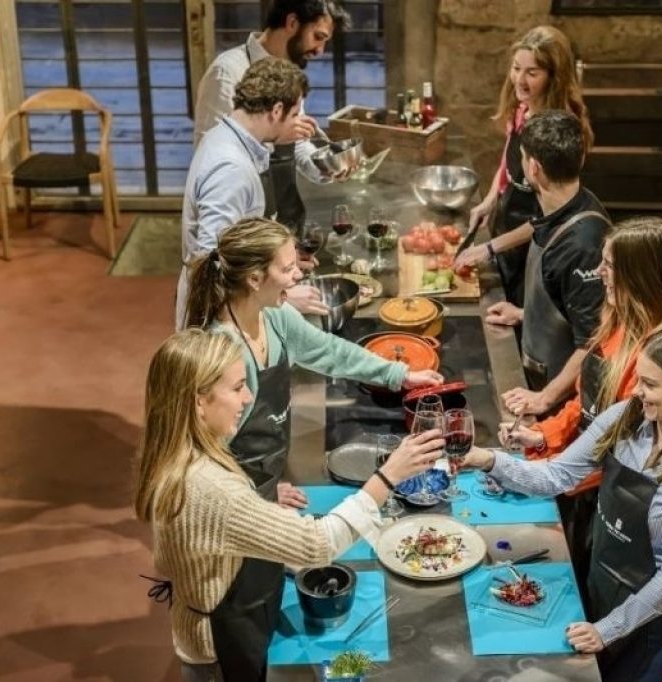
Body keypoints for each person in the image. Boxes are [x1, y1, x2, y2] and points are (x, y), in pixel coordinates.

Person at [134, 328, 443, 682]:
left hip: (217, 619)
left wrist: (257, 504)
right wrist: (387, 478)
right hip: (220, 648)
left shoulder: (179, 450)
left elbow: (222, 524)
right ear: (198, 402)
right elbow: (317, 544)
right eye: (237, 388)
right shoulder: (209, 488)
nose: (249, 397)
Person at [464, 324, 662, 680]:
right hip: (598, 592)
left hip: (647, 630)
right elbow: (556, 476)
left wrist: (607, 630)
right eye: (639, 379)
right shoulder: (625, 418)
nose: (638, 392)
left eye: (651, 385)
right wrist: (488, 460)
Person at [184, 216, 442, 506]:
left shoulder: (275, 316)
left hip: (263, 480)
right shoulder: (223, 352)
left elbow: (329, 350)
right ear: (254, 279)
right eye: (287, 268)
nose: (297, 276)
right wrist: (255, 495)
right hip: (232, 498)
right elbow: (208, 456)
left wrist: (398, 374)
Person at [498, 216, 662, 590]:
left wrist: (554, 475)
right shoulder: (616, 322)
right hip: (583, 485)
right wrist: (543, 436)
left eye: (610, 266)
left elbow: (637, 460)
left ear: (641, 274)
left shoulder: (661, 358)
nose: (599, 272)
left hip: (618, 508)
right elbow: (586, 405)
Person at [178, 57, 326, 328]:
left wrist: (278, 258)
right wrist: (284, 294)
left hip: (237, 307)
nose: (297, 124)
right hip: (218, 320)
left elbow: (237, 243)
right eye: (294, 115)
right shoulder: (230, 169)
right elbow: (212, 264)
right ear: (277, 110)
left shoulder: (226, 136)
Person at [456, 25, 593, 307]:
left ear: (554, 77)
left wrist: (491, 248)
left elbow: (551, 219)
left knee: (522, 311)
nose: (520, 79)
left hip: (536, 243)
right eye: (516, 68)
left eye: (532, 73)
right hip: (509, 221)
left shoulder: (558, 132)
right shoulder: (523, 106)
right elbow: (508, 155)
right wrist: (491, 200)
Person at [483, 109, 609, 400]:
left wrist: (545, 399)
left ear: (533, 168)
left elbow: (594, 341)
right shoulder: (560, 208)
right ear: (581, 158)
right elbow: (568, 306)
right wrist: (526, 315)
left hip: (564, 397)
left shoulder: (583, 245)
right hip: (541, 370)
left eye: (523, 157)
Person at [194, 0, 348, 235]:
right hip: (240, 228)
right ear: (292, 23)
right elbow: (211, 159)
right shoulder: (226, 73)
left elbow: (296, 142)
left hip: (282, 218)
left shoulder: (287, 73)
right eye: (318, 37)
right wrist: (274, 138)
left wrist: (325, 167)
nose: (320, 51)